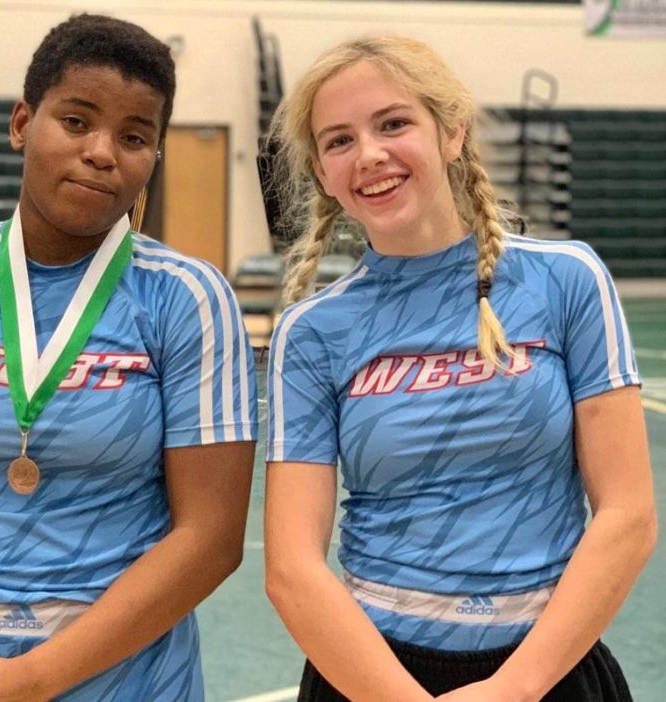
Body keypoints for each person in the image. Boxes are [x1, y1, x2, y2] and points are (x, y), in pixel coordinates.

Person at [0, 14, 256, 702]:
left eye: (134, 136)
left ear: (154, 156)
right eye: (76, 121)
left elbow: (210, 537)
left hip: (129, 679)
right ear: (22, 123)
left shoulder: (188, 298)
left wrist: (31, 680)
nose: (101, 152)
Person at [264, 36, 656, 702]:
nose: (370, 155)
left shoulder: (566, 282)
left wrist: (515, 689)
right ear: (322, 172)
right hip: (372, 677)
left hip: (546, 673)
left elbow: (628, 512)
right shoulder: (312, 333)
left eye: (393, 123)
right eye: (338, 140)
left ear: (452, 132)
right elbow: (292, 567)